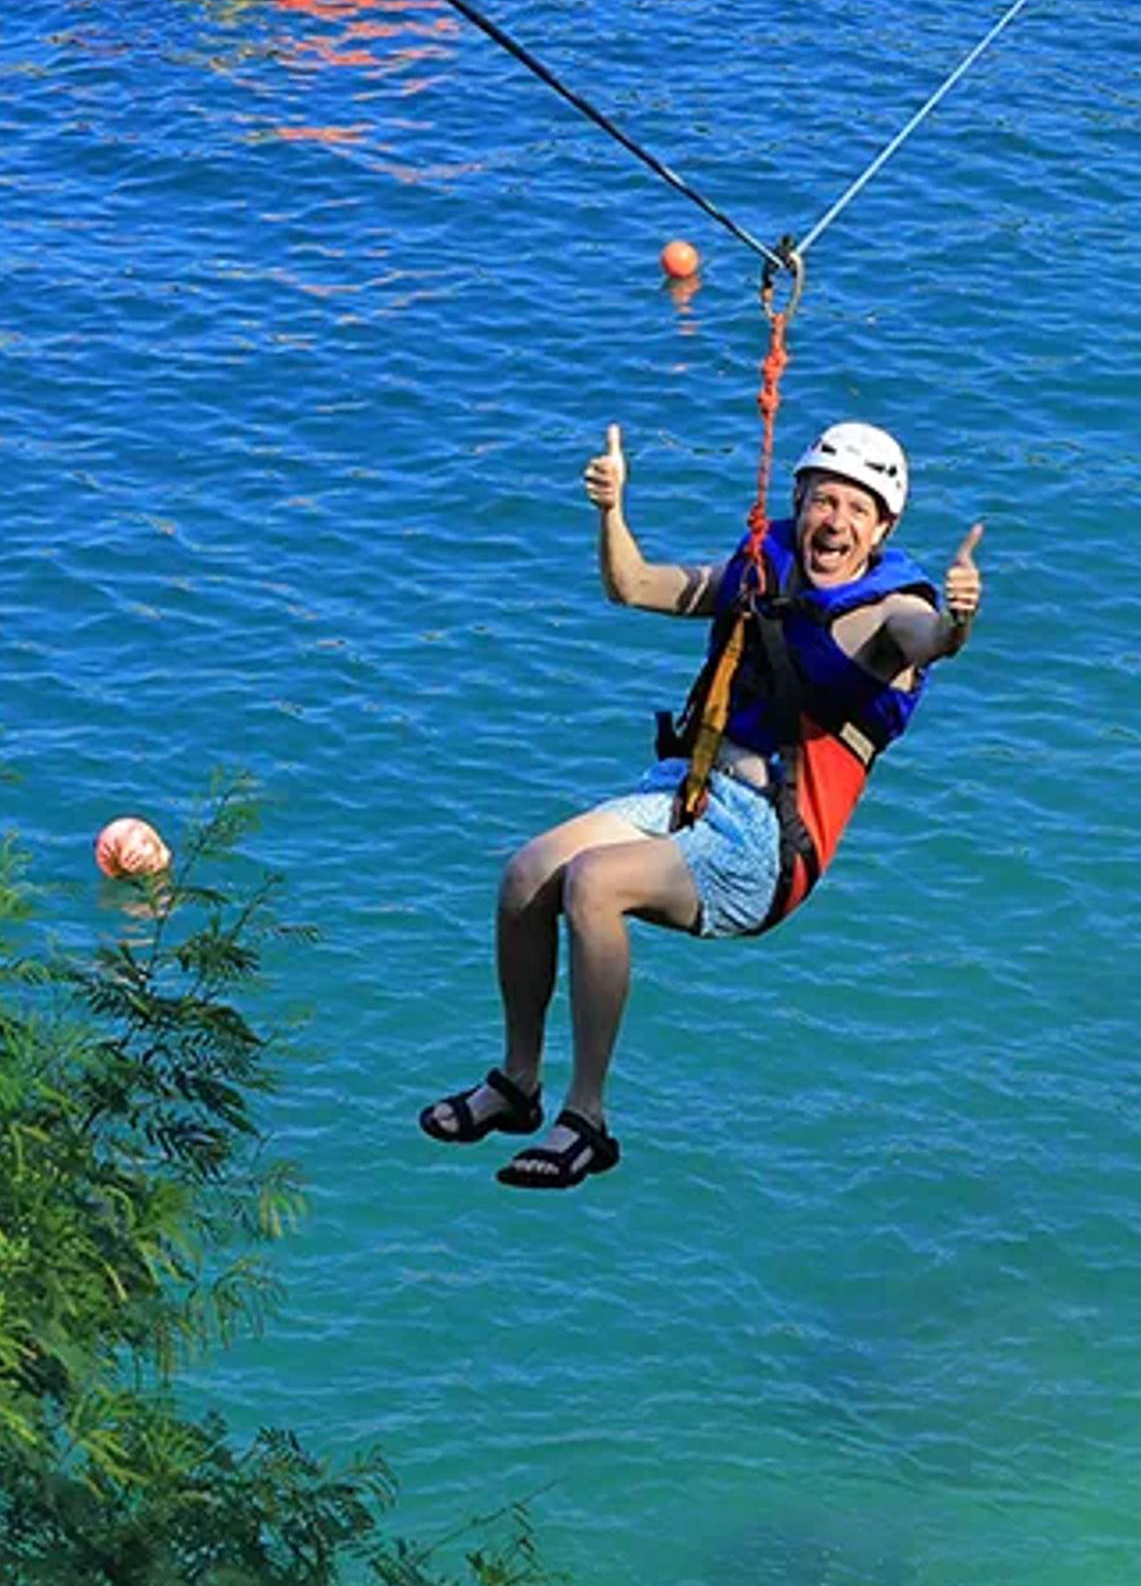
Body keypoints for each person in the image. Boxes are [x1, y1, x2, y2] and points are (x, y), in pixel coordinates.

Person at [418, 421, 987, 1191]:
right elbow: (634, 585)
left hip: (769, 843)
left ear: (883, 527)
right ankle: (519, 1084)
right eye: (824, 501)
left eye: (858, 509)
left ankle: (586, 1118)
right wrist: (611, 510)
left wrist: (959, 616)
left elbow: (933, 639)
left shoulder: (891, 610)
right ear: (798, 500)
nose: (835, 522)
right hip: (689, 791)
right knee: (527, 875)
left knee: (594, 883)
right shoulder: (763, 567)